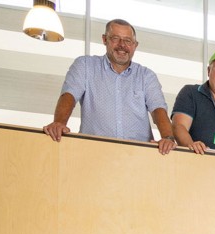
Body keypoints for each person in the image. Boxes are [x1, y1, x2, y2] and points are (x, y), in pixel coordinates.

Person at [43, 19, 175, 152]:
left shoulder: (146, 76)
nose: (122, 45)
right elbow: (69, 95)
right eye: (115, 38)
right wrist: (59, 123)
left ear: (135, 45)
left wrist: (168, 138)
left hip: (138, 155)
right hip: (93, 152)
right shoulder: (85, 65)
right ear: (104, 39)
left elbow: (158, 109)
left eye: (128, 41)